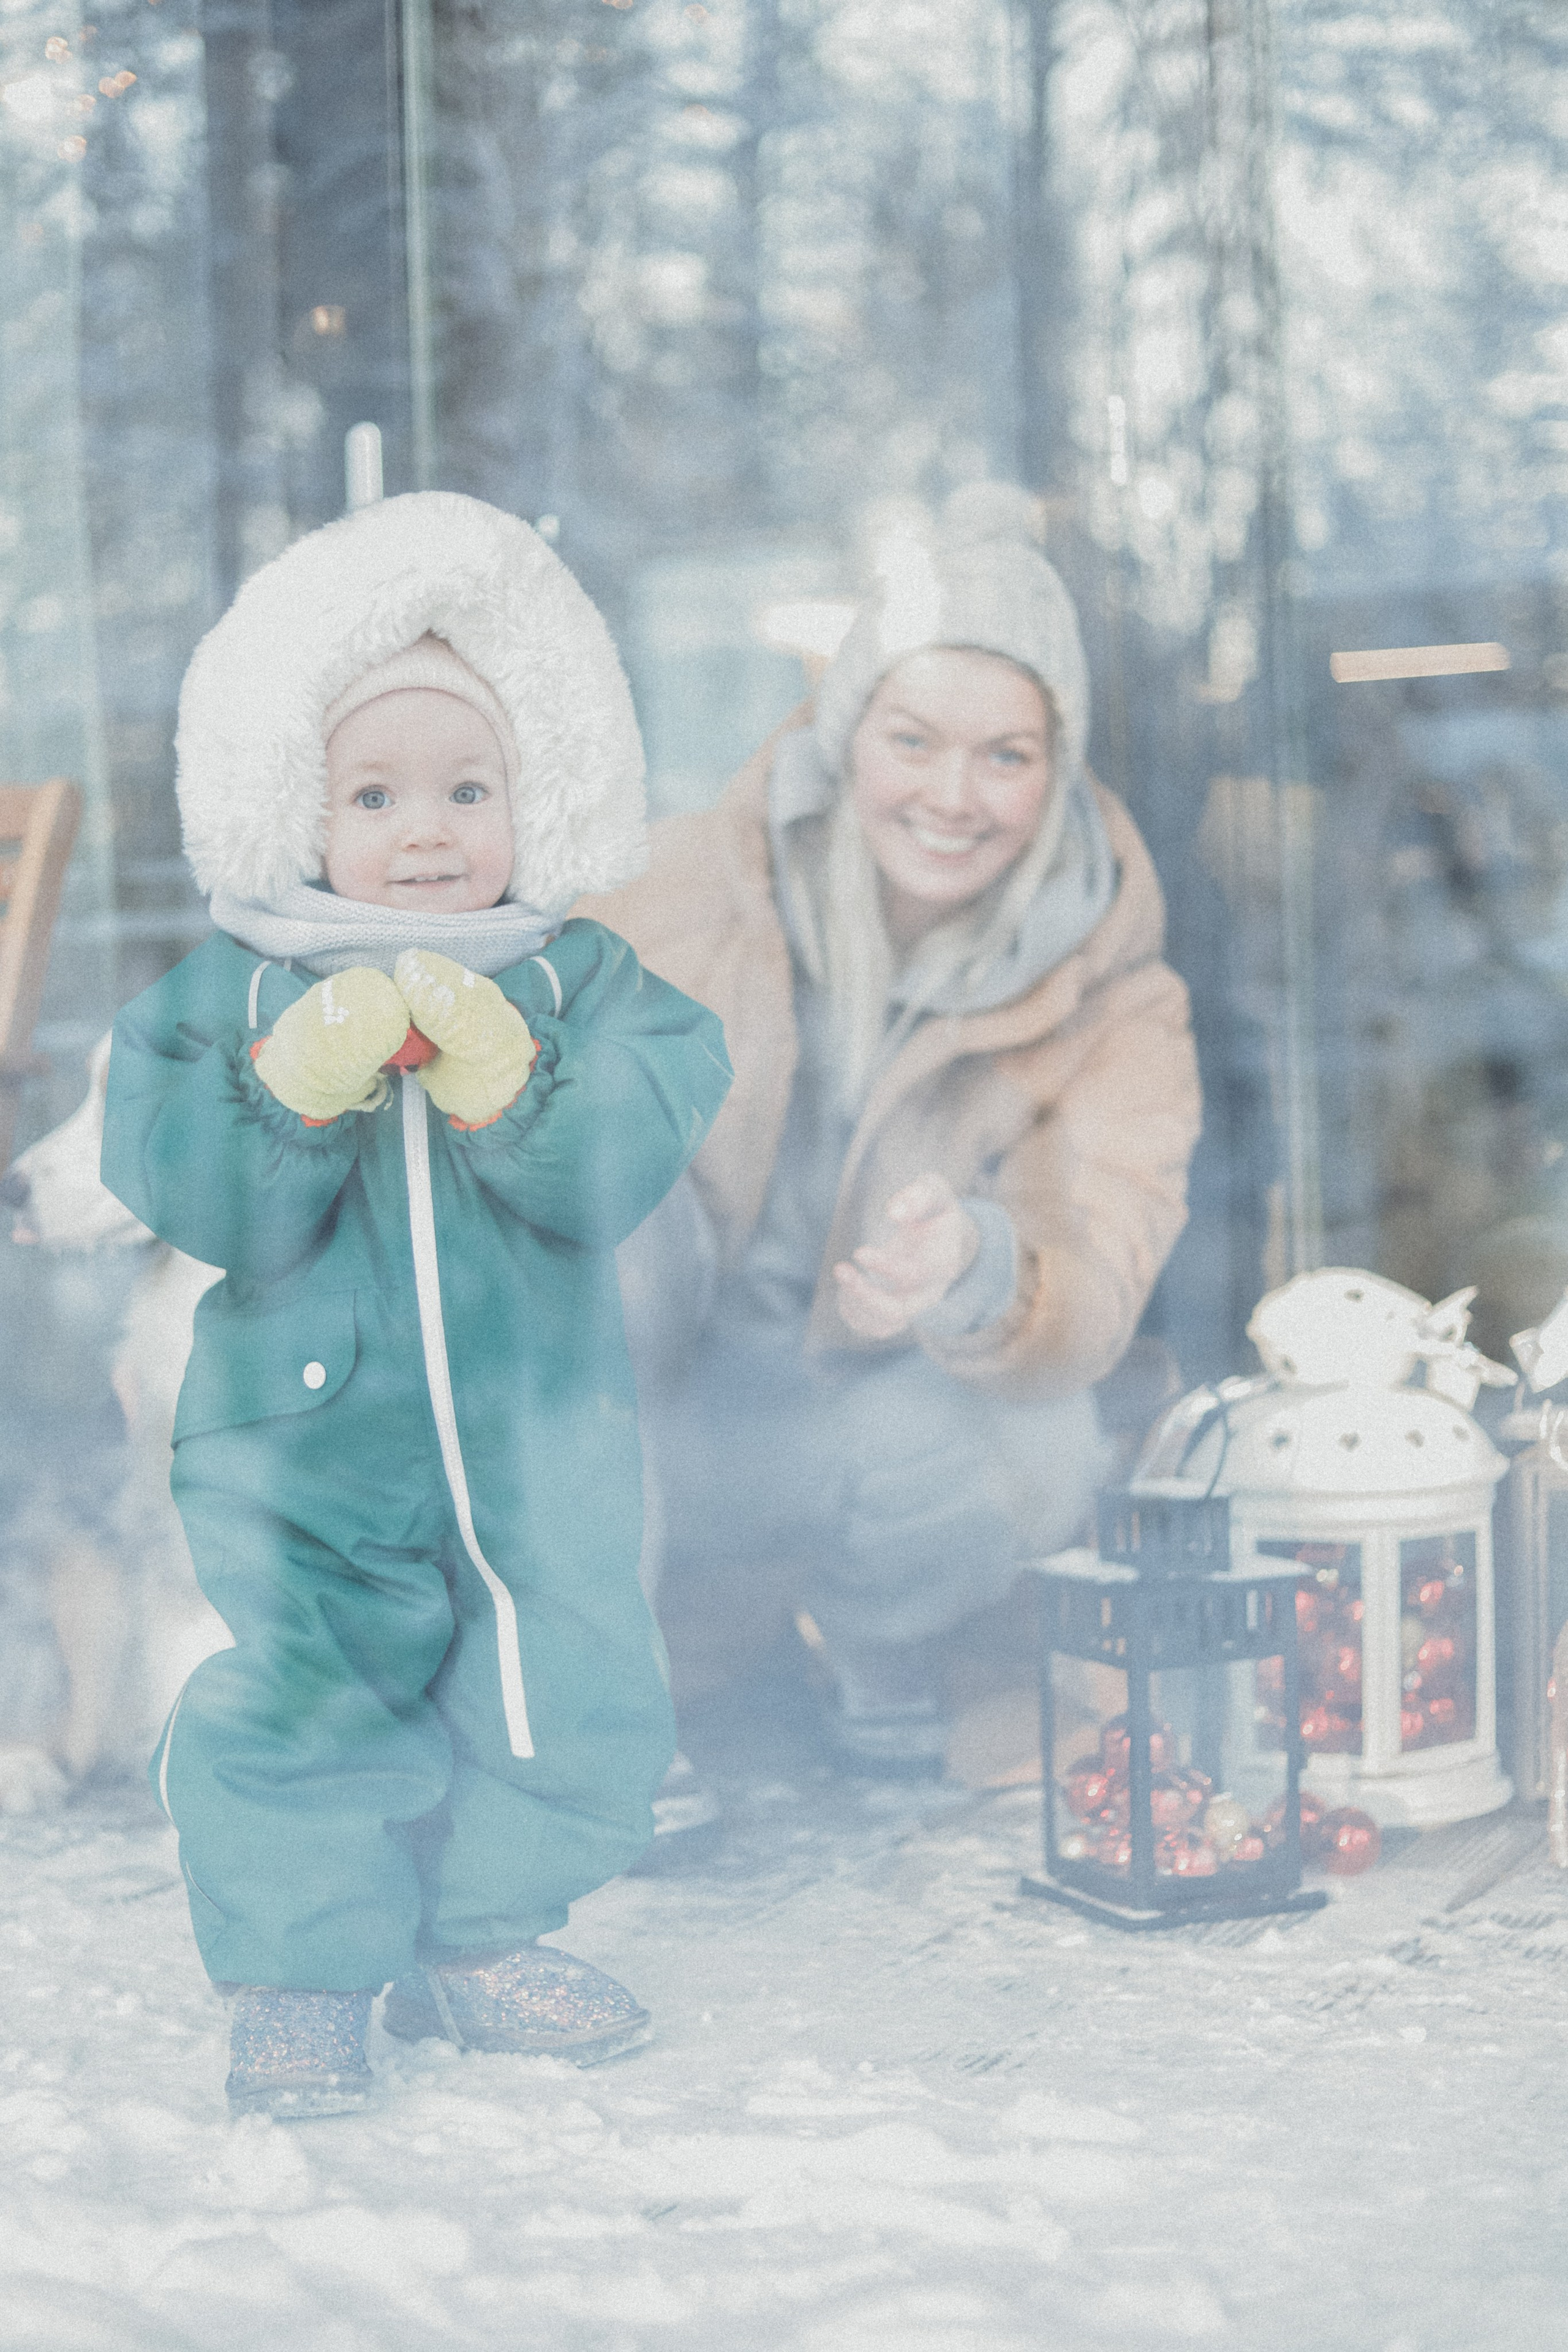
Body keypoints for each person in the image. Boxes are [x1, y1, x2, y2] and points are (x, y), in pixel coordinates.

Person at [100, 492, 731, 2118]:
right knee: (309, 1692)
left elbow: (633, 1146)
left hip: (537, 1437)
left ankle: (484, 1939)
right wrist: (284, 1092)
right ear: (292, 804)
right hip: (301, 1446)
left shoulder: (579, 982)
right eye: (373, 795)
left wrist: (521, 1084)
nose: (429, 831)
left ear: (544, 791)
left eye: (470, 788)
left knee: (559, 1676)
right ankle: (302, 1977)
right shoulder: (234, 988)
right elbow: (180, 1180)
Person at [591, 485, 1201, 1776]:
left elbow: (1102, 1263)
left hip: (871, 1437)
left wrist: (981, 1265)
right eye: (913, 740)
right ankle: (597, 1692)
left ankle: (879, 1647)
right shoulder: (671, 888)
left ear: (1058, 767)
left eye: (1006, 755)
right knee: (589, 1230)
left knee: (1043, 1426)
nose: (953, 796)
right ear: (845, 731)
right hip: (657, 1425)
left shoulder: (1118, 997)